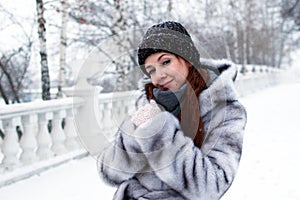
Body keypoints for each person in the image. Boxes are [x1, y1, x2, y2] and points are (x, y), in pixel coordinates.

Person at [97, 21, 247, 200]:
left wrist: (159, 132)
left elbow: (212, 187)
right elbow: (110, 172)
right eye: (150, 70)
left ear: (188, 59)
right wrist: (133, 134)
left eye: (166, 62)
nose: (159, 76)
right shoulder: (147, 103)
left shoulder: (224, 110)